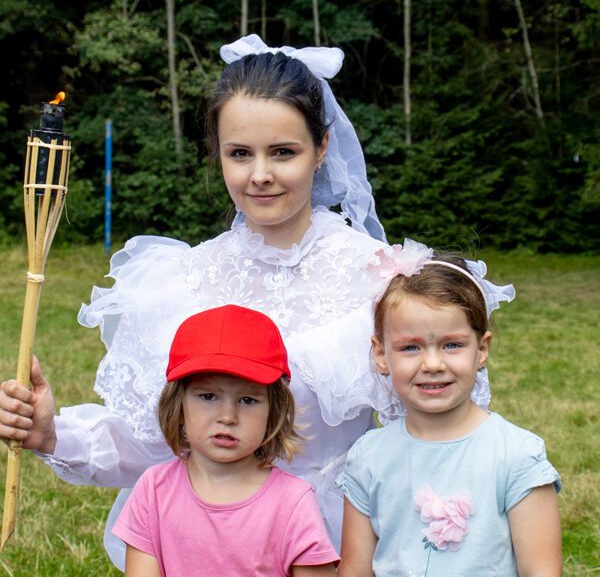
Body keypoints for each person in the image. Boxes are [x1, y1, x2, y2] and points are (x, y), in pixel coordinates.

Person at [0, 34, 505, 569]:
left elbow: (436, 430)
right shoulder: (182, 281)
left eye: (283, 152)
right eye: (240, 153)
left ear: (322, 148)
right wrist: (52, 434)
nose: (260, 174)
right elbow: (155, 442)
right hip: (207, 539)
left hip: (334, 537)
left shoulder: (377, 280)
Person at [338, 241, 561, 577]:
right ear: (381, 355)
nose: (432, 364)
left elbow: (541, 571)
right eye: (410, 347)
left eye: (452, 345)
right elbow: (355, 570)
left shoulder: (516, 455)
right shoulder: (368, 457)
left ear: (481, 350)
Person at [113, 305, 339, 576]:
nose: (228, 417)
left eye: (248, 400)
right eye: (208, 396)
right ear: (178, 405)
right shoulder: (153, 490)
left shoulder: (293, 502)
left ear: (273, 412)